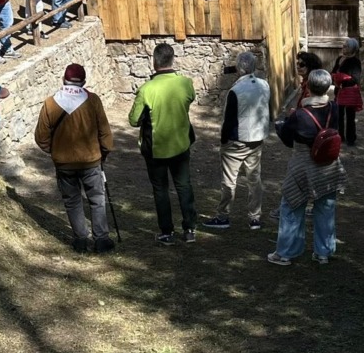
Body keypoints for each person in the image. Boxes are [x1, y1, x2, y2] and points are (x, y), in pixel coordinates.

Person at [34, 63, 115, 253]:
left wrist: (53, 151)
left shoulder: (50, 103)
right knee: (97, 199)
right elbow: (105, 132)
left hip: (64, 162)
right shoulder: (93, 101)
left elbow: (41, 136)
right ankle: (101, 239)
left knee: (72, 201)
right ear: (84, 81)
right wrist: (105, 151)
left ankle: (80, 240)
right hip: (91, 160)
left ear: (64, 79)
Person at [268, 69, 343, 266]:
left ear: (308, 87)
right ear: (328, 87)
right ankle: (323, 253)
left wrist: (281, 124)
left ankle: (285, 253)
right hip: (328, 165)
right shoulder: (335, 108)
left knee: (292, 206)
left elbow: (287, 138)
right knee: (325, 208)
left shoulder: (300, 115)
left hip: (302, 165)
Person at [129, 43, 197, 245]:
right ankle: (190, 228)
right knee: (184, 186)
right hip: (181, 144)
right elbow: (190, 100)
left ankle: (166, 231)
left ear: (154, 61)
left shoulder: (146, 89)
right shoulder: (186, 83)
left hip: (155, 148)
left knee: (161, 190)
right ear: (172, 59)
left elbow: (133, 120)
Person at [203, 52, 271, 231]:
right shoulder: (264, 85)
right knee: (254, 179)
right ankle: (255, 217)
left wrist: (223, 141)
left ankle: (223, 215)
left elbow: (229, 120)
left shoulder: (236, 91)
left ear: (239, 68)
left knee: (229, 180)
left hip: (237, 140)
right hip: (256, 138)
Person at [330, 39, 364, 146]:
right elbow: (333, 72)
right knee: (338, 115)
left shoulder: (355, 62)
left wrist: (341, 79)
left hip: (349, 92)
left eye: (346, 46)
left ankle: (351, 138)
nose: (343, 48)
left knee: (350, 116)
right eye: (343, 46)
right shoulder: (339, 59)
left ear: (353, 49)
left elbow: (355, 79)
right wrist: (335, 78)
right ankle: (340, 136)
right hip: (339, 91)